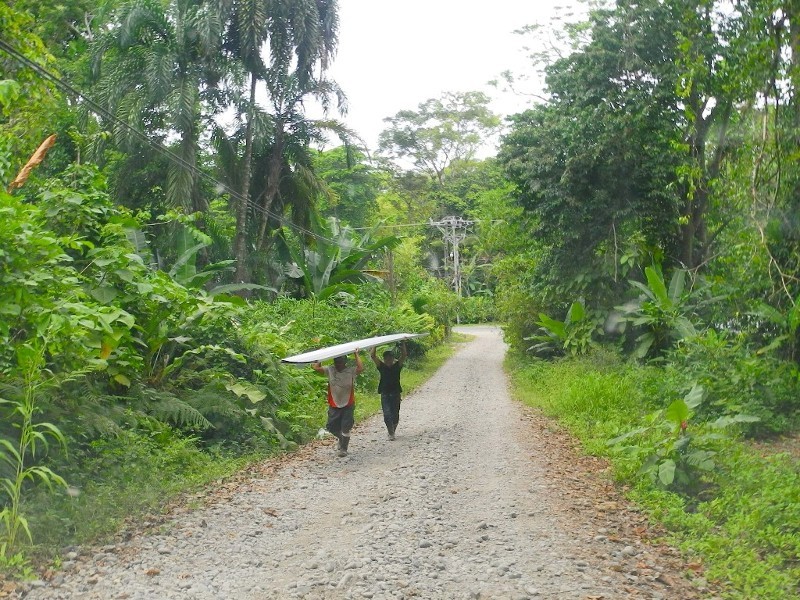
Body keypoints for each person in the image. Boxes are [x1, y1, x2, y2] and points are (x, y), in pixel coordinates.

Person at [312, 351, 363, 457]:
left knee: (346, 427)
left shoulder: (350, 371)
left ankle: (344, 448)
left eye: (340, 362)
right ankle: (341, 438)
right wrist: (321, 356)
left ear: (345, 362)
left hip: (348, 403)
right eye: (336, 362)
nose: (338, 364)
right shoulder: (330, 370)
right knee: (331, 426)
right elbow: (316, 368)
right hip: (334, 403)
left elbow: (360, 368)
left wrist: (356, 354)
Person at [370, 341, 407, 440]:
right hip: (385, 393)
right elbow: (373, 356)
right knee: (387, 414)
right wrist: (375, 344)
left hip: (395, 393)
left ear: (393, 358)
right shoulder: (381, 367)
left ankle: (393, 429)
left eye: (390, 357)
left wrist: (402, 344)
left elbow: (404, 355)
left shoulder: (397, 366)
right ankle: (391, 432)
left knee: (395, 414)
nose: (388, 360)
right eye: (386, 358)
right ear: (384, 359)